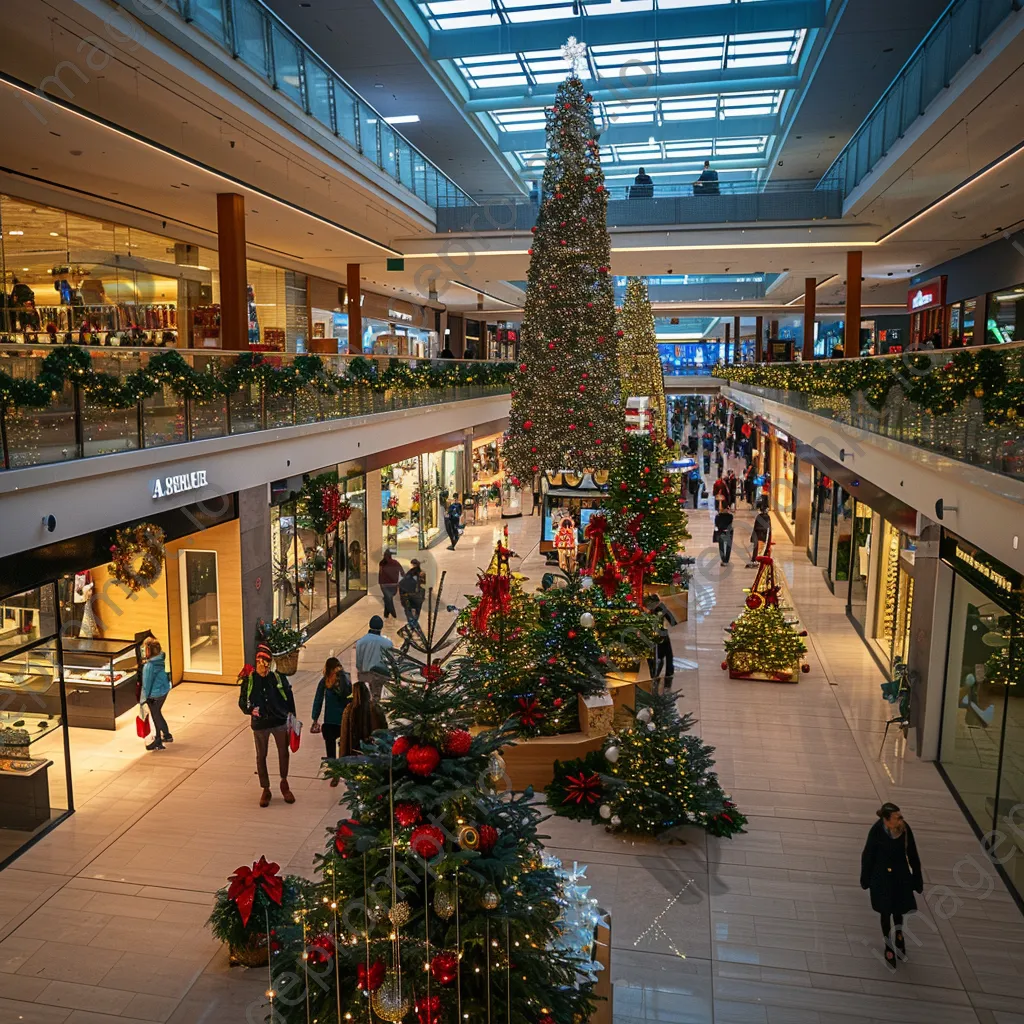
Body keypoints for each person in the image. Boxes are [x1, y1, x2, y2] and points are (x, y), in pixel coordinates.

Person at [860, 803, 923, 967]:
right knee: (885, 911)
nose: (900, 819)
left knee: (898, 910)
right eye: (896, 817)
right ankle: (888, 944)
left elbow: (913, 854)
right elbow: (868, 855)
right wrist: (865, 878)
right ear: (886, 819)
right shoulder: (876, 831)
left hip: (900, 876)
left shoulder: (904, 830)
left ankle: (899, 934)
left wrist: (917, 879)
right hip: (881, 878)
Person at [239, 643, 297, 807]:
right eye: (262, 665)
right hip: (260, 724)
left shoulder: (277, 678)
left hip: (279, 721)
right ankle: (266, 788)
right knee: (261, 756)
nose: (265, 668)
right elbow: (242, 701)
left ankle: (284, 783)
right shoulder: (249, 680)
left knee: (283, 753)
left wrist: (292, 716)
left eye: (267, 665)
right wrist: (250, 710)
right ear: (257, 663)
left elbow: (289, 697)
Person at [311, 656, 351, 786]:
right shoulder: (346, 679)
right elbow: (351, 699)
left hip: (330, 721)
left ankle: (335, 773)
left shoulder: (326, 681)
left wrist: (315, 718)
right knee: (344, 747)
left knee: (331, 748)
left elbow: (318, 700)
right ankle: (343, 771)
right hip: (343, 721)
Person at [339, 679, 388, 756]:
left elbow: (344, 736)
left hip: (353, 754)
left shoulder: (349, 709)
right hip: (373, 753)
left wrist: (342, 757)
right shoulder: (375, 708)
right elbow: (382, 729)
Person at [141, 637, 172, 751]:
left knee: (155, 715)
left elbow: (147, 684)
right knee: (157, 713)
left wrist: (144, 698)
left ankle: (158, 740)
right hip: (164, 690)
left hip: (154, 694)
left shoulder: (149, 666)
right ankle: (167, 735)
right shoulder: (161, 659)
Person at [355, 615, 394, 701]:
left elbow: (358, 663)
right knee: (377, 701)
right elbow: (391, 662)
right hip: (381, 677)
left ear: (369, 625)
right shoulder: (387, 643)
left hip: (364, 676)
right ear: (382, 626)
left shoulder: (360, 642)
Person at [643, 593, 677, 689]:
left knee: (656, 658)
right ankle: (665, 681)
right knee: (666, 657)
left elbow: (672, 621)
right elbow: (673, 621)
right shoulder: (660, 609)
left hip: (654, 639)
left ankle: (655, 678)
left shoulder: (647, 612)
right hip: (660, 638)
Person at [378, 549, 404, 619]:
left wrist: (380, 582)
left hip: (384, 584)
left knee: (388, 598)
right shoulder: (396, 563)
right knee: (388, 598)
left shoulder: (381, 563)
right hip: (394, 584)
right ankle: (386, 614)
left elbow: (380, 573)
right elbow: (402, 572)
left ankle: (393, 613)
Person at [399, 558, 426, 625]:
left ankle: (411, 621)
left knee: (408, 609)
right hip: (417, 595)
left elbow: (402, 583)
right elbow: (424, 585)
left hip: (411, 594)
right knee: (416, 609)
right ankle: (414, 621)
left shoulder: (411, 573)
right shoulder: (421, 573)